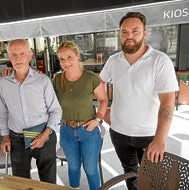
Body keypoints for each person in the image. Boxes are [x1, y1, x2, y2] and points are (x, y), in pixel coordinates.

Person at [100, 12, 179, 190]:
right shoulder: (114, 60)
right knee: (129, 172)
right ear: (119, 34)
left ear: (145, 33)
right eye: (124, 32)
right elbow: (100, 82)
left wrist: (160, 139)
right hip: (119, 132)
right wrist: (103, 109)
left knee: (152, 178)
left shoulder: (160, 60)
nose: (129, 36)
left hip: (149, 135)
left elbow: (168, 102)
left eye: (135, 31)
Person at [0, 39, 62, 184]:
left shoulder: (43, 81)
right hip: (17, 140)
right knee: (21, 183)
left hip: (44, 135)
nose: (18, 58)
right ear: (9, 57)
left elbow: (56, 111)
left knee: (48, 182)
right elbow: (2, 113)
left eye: (22, 53)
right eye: (13, 54)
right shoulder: (3, 83)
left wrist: (45, 135)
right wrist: (5, 137)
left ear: (30, 55)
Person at [52, 41, 108, 190]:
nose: (66, 62)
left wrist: (98, 120)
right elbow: (45, 97)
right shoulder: (57, 79)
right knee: (74, 166)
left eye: (69, 57)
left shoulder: (91, 78)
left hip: (88, 130)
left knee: (91, 169)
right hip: (66, 130)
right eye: (62, 59)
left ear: (78, 56)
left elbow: (103, 100)